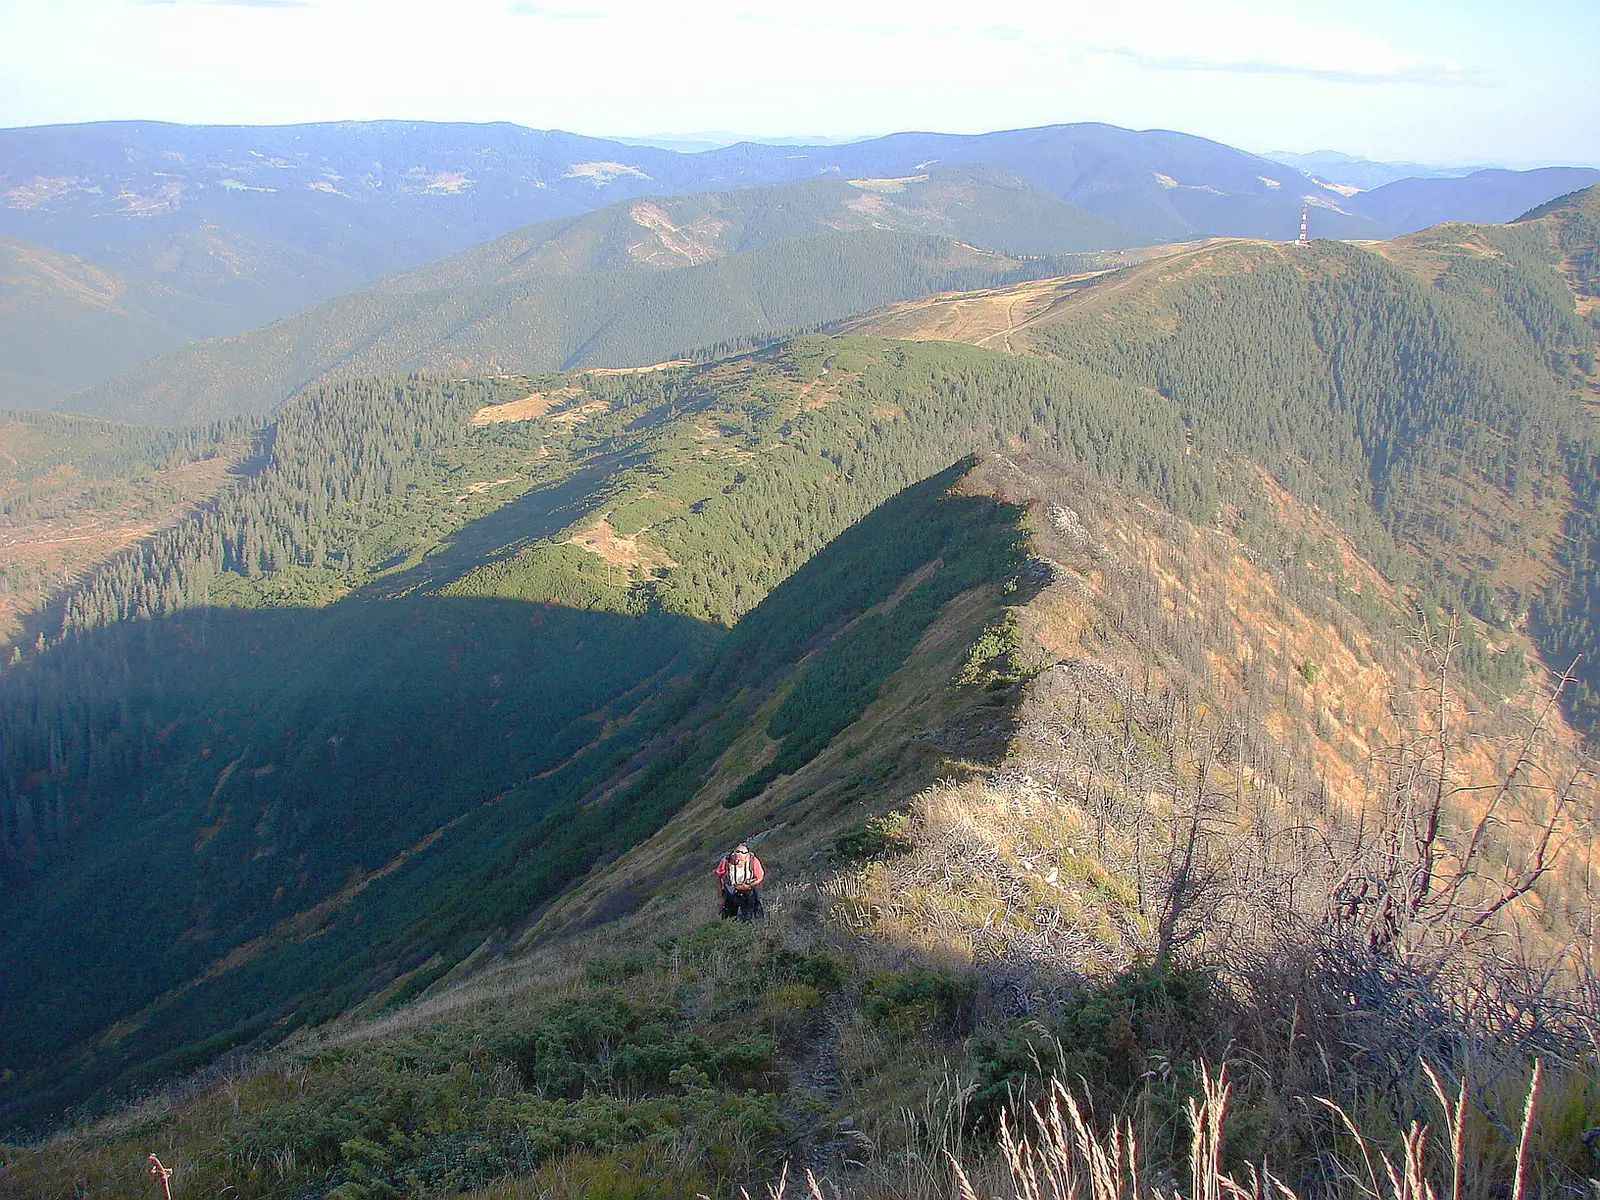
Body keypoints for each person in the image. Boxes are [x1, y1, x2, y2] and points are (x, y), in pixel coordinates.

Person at [716, 842, 765, 920]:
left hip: (748, 889)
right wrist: (720, 898)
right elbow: (719, 878)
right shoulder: (726, 861)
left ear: (747, 855)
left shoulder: (753, 861)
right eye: (737, 852)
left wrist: (748, 885)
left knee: (750, 914)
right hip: (731, 890)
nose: (739, 855)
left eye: (743, 853)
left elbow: (760, 876)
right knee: (729, 917)